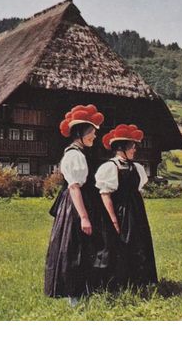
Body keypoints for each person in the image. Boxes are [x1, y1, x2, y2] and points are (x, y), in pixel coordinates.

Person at [44, 104, 105, 306]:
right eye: (91, 133)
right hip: (75, 207)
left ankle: (85, 292)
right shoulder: (74, 155)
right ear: (80, 133)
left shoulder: (81, 153)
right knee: (73, 249)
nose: (94, 137)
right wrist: (84, 217)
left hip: (82, 202)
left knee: (84, 248)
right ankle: (74, 297)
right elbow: (74, 187)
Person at [95, 124, 158, 288]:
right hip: (120, 210)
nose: (135, 150)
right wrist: (113, 220)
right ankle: (119, 282)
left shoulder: (137, 167)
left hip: (136, 210)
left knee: (140, 242)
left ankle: (140, 280)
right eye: (132, 147)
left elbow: (138, 190)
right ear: (121, 148)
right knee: (122, 243)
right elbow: (105, 195)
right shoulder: (110, 167)